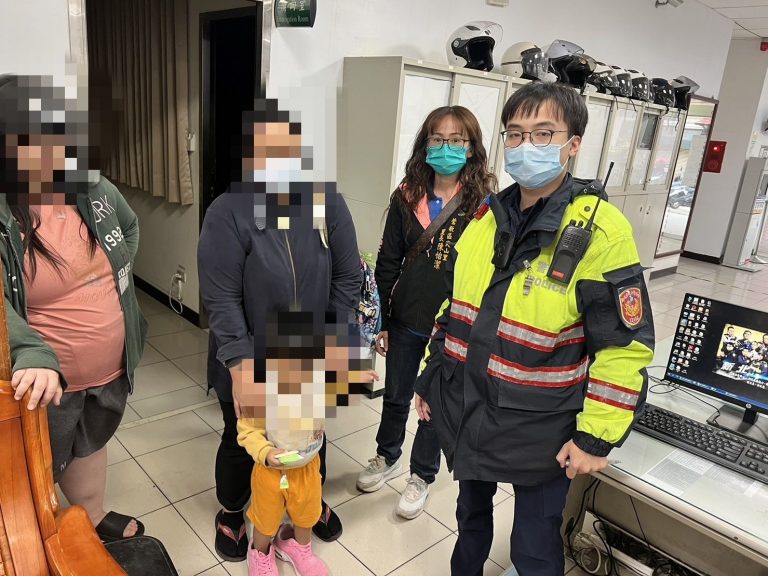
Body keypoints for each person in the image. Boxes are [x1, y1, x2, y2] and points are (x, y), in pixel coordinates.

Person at [414, 82, 655, 576]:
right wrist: (431, 378)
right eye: (516, 134)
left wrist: (595, 437)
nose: (527, 146)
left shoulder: (601, 231)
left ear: (574, 143)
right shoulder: (486, 217)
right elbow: (454, 308)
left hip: (544, 427)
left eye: (543, 133)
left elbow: (623, 347)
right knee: (470, 524)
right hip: (470, 408)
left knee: (535, 546)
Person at [198, 99, 361, 562]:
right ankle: (232, 510)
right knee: (242, 435)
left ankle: (306, 505)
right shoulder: (228, 211)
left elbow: (349, 275)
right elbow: (221, 297)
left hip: (310, 347)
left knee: (311, 432)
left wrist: (334, 341)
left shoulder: (327, 202)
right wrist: (239, 364)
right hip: (248, 349)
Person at [0, 74, 148, 541]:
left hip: (109, 370)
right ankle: (39, 538)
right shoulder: (5, 215)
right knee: (37, 467)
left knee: (91, 442)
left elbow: (129, 227)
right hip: (47, 384)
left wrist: (113, 284)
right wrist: (29, 351)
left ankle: (92, 515)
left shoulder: (92, 187)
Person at [356, 106, 497, 519]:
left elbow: (486, 270)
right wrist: (382, 322)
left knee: (434, 402)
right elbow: (388, 262)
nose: (446, 147)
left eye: (456, 140)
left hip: (452, 325)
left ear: (471, 148)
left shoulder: (484, 204)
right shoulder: (407, 195)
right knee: (397, 394)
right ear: (425, 144)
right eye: (438, 139)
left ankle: (421, 475)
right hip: (405, 317)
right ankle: (387, 455)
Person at [237, 310, 377, 575]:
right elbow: (247, 431)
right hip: (271, 471)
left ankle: (300, 548)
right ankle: (260, 552)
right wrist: (265, 452)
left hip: (308, 467)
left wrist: (356, 377)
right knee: (266, 518)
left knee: (307, 514)